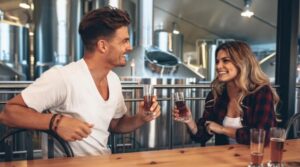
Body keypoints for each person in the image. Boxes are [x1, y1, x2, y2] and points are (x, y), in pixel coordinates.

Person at [0, 6, 161, 156]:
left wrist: (141, 118)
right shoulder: (63, 78)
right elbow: (9, 113)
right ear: (103, 46)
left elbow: (116, 125)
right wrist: (56, 122)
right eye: (124, 41)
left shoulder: (113, 80)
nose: (130, 47)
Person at [173, 41, 279, 146]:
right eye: (217, 61)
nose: (218, 66)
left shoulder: (261, 92)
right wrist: (190, 121)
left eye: (225, 61)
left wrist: (223, 130)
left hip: (254, 158)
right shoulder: (217, 94)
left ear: (242, 63)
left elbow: (263, 137)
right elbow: (202, 136)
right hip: (224, 158)